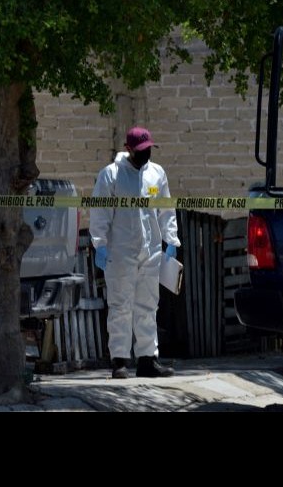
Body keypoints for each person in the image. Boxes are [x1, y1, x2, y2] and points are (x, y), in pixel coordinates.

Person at [89, 126, 181, 379]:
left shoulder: (157, 173)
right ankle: (119, 361)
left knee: (148, 306)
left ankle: (147, 360)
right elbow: (100, 213)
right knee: (120, 306)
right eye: (141, 149)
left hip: (151, 251)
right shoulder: (111, 175)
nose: (145, 153)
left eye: (148, 148)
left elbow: (166, 209)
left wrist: (171, 240)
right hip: (120, 252)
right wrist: (100, 244)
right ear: (128, 149)